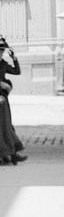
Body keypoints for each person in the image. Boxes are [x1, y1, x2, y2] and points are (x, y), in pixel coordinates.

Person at [0, 37, 27, 165]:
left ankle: (11, 153)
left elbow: (17, 71)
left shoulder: (3, 63)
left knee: (7, 125)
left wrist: (14, 58)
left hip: (3, 98)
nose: (0, 53)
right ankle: (7, 154)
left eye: (2, 50)